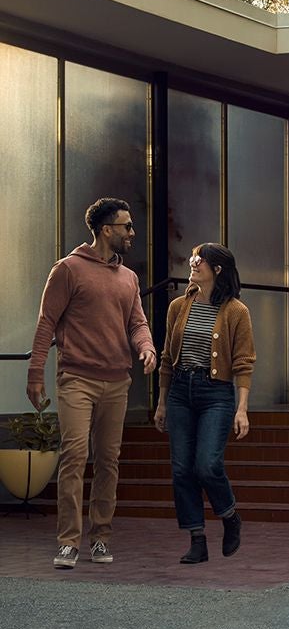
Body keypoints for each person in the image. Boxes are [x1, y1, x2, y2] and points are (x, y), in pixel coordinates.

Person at [28, 197, 159, 569]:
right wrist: (35, 373)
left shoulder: (129, 278)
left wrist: (146, 348)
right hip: (77, 379)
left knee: (108, 461)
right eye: (127, 226)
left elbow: (137, 322)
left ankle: (100, 537)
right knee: (74, 457)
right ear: (106, 230)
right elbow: (45, 323)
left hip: (117, 381)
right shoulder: (68, 269)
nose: (132, 233)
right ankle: (68, 541)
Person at [153, 243, 255, 564]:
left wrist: (242, 409)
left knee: (207, 465)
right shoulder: (177, 307)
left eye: (200, 260)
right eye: (193, 259)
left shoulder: (237, 311)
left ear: (217, 270)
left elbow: (243, 362)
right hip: (181, 391)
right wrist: (162, 403)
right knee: (182, 468)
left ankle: (229, 516)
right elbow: (168, 359)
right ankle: (197, 539)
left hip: (217, 394)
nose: (193, 264)